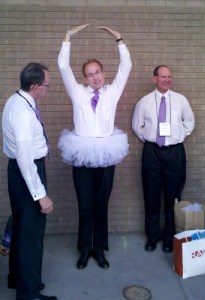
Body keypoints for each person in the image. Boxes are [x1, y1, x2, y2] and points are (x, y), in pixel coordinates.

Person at [58, 24, 132, 269]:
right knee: (84, 203)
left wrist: (119, 38)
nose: (95, 77)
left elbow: (127, 67)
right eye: (90, 74)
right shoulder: (77, 93)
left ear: (103, 72)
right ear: (84, 78)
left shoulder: (112, 92)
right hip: (82, 154)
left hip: (106, 153)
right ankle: (84, 249)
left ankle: (99, 249)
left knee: (101, 204)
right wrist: (68, 37)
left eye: (98, 72)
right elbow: (62, 66)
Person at [2, 63, 57, 300]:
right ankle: (29, 294)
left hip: (19, 172)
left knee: (22, 229)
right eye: (47, 86)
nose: (48, 90)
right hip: (28, 174)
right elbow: (26, 159)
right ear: (35, 87)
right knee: (31, 236)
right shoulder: (23, 113)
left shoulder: (16, 100)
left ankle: (18, 278)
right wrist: (40, 194)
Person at [132, 65, 195, 253]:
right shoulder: (144, 102)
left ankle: (169, 237)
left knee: (172, 196)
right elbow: (137, 126)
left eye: (169, 77)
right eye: (163, 77)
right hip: (152, 152)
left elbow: (189, 123)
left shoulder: (180, 100)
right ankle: (152, 236)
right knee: (151, 196)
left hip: (175, 153)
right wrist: (153, 139)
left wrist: (175, 138)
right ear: (155, 79)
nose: (167, 80)